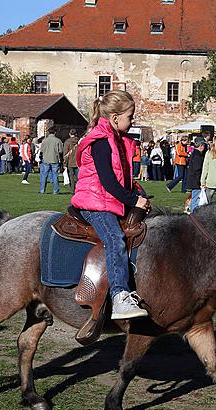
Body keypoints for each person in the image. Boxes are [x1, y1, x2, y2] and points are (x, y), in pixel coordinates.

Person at [71, 90, 151, 319]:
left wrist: (137, 192)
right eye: (130, 116)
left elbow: (121, 179)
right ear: (115, 118)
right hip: (95, 204)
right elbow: (107, 183)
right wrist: (134, 200)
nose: (133, 120)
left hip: (108, 200)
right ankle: (119, 296)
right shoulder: (101, 142)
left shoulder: (117, 140)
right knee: (115, 239)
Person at [39, 126, 63, 194]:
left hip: (46, 160)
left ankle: (42, 190)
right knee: (55, 176)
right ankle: (55, 190)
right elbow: (60, 151)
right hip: (54, 159)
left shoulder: (44, 140)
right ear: (55, 132)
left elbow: (41, 151)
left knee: (44, 176)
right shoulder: (58, 140)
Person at [185, 136, 206, 212]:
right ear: (201, 146)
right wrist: (200, 181)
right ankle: (193, 214)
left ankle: (191, 211)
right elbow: (197, 170)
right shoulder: (197, 155)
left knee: (195, 197)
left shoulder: (195, 154)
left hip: (193, 180)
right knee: (196, 198)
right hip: (195, 180)